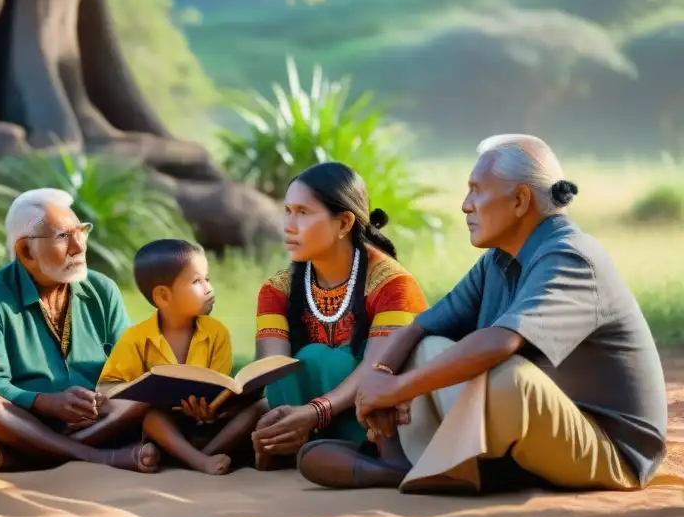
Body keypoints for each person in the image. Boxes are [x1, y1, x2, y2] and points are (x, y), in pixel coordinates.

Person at [300, 134, 669, 494]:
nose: (465, 205)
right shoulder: (498, 259)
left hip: (609, 451)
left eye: (476, 190)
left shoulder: (570, 256)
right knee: (429, 347)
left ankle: (431, 470)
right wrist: (380, 378)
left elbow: (500, 342)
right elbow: (418, 327)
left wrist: (396, 388)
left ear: (521, 200)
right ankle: (409, 462)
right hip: (532, 433)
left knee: (511, 379)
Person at [249, 162, 430, 469]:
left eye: (303, 213)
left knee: (324, 359)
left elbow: (378, 370)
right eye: (287, 211)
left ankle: (361, 457)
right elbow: (273, 372)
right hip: (300, 419)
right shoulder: (276, 290)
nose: (289, 225)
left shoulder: (394, 284)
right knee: (293, 366)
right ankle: (293, 443)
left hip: (375, 420)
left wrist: (315, 412)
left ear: (345, 223)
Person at [0, 188, 159, 473]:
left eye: (81, 231)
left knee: (147, 392)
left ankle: (35, 456)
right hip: (29, 421)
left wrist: (104, 397)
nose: (79, 246)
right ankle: (97, 455)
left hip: (100, 417)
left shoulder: (103, 290)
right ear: (25, 251)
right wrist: (44, 402)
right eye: (63, 236)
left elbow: (128, 365)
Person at [96, 240, 268, 475]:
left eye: (207, 278)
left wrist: (212, 409)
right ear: (163, 296)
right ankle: (198, 460)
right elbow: (105, 388)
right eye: (197, 281)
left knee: (261, 406)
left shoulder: (216, 333)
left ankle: (191, 457)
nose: (208, 288)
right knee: (150, 414)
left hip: (207, 426)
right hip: (161, 428)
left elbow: (220, 387)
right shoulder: (136, 338)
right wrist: (142, 394)